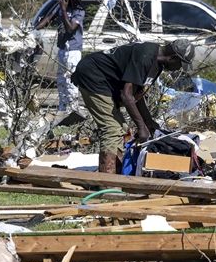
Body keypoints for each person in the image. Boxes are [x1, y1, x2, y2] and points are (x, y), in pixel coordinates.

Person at [71, 39, 194, 174]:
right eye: (180, 64)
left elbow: (136, 95)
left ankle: (116, 175)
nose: (179, 68)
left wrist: (149, 122)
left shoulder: (156, 65)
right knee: (112, 129)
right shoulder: (145, 57)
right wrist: (141, 127)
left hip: (104, 81)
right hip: (92, 76)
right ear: (173, 58)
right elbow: (126, 95)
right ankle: (107, 182)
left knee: (122, 130)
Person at [37, 0, 85, 113]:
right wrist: (35, 28)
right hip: (63, 48)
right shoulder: (60, 8)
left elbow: (70, 29)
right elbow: (48, 19)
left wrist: (63, 10)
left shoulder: (78, 12)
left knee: (70, 80)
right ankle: (63, 107)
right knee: (61, 79)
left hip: (73, 50)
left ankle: (73, 109)